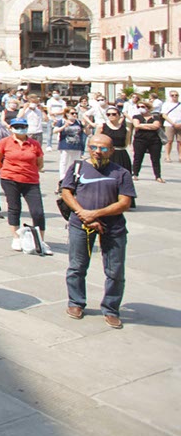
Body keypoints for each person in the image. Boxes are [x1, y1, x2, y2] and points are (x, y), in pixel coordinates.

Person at [60, 134, 136, 328]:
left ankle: (111, 308)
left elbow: (124, 202)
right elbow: (66, 192)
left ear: (111, 150)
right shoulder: (78, 168)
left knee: (115, 271)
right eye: (94, 147)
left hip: (113, 227)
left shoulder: (121, 173)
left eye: (103, 148)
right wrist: (81, 213)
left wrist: (94, 214)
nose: (97, 152)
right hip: (81, 224)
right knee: (77, 266)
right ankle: (76, 302)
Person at [0, 117, 48, 252]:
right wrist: (5, 172)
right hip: (10, 179)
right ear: (11, 128)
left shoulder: (34, 144)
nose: (20, 129)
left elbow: (40, 162)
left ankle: (40, 240)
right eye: (17, 126)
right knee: (14, 208)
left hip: (31, 180)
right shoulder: (5, 142)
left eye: (23, 126)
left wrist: (31, 170)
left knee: (38, 212)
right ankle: (16, 237)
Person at [53, 107, 87, 193]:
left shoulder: (78, 122)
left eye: (76, 113)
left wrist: (86, 125)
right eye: (72, 113)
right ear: (67, 114)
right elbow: (55, 131)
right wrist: (64, 126)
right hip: (65, 145)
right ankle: (62, 181)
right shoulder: (62, 121)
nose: (75, 115)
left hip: (77, 146)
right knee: (64, 163)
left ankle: (73, 182)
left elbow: (84, 132)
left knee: (75, 165)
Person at [130, 107, 165, 183]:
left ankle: (158, 176)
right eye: (138, 107)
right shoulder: (136, 116)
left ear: (148, 108)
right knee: (138, 157)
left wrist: (142, 125)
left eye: (142, 107)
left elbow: (156, 126)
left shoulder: (155, 117)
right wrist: (150, 126)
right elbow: (136, 125)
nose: (140, 108)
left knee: (155, 158)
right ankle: (135, 174)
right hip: (140, 139)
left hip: (154, 140)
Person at [162, 89, 181, 162]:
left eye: (176, 95)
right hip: (169, 124)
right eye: (172, 95)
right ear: (170, 96)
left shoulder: (180, 104)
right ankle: (167, 156)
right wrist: (173, 123)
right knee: (169, 141)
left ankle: (180, 156)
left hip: (180, 124)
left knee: (180, 141)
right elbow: (164, 115)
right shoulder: (166, 104)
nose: (174, 97)